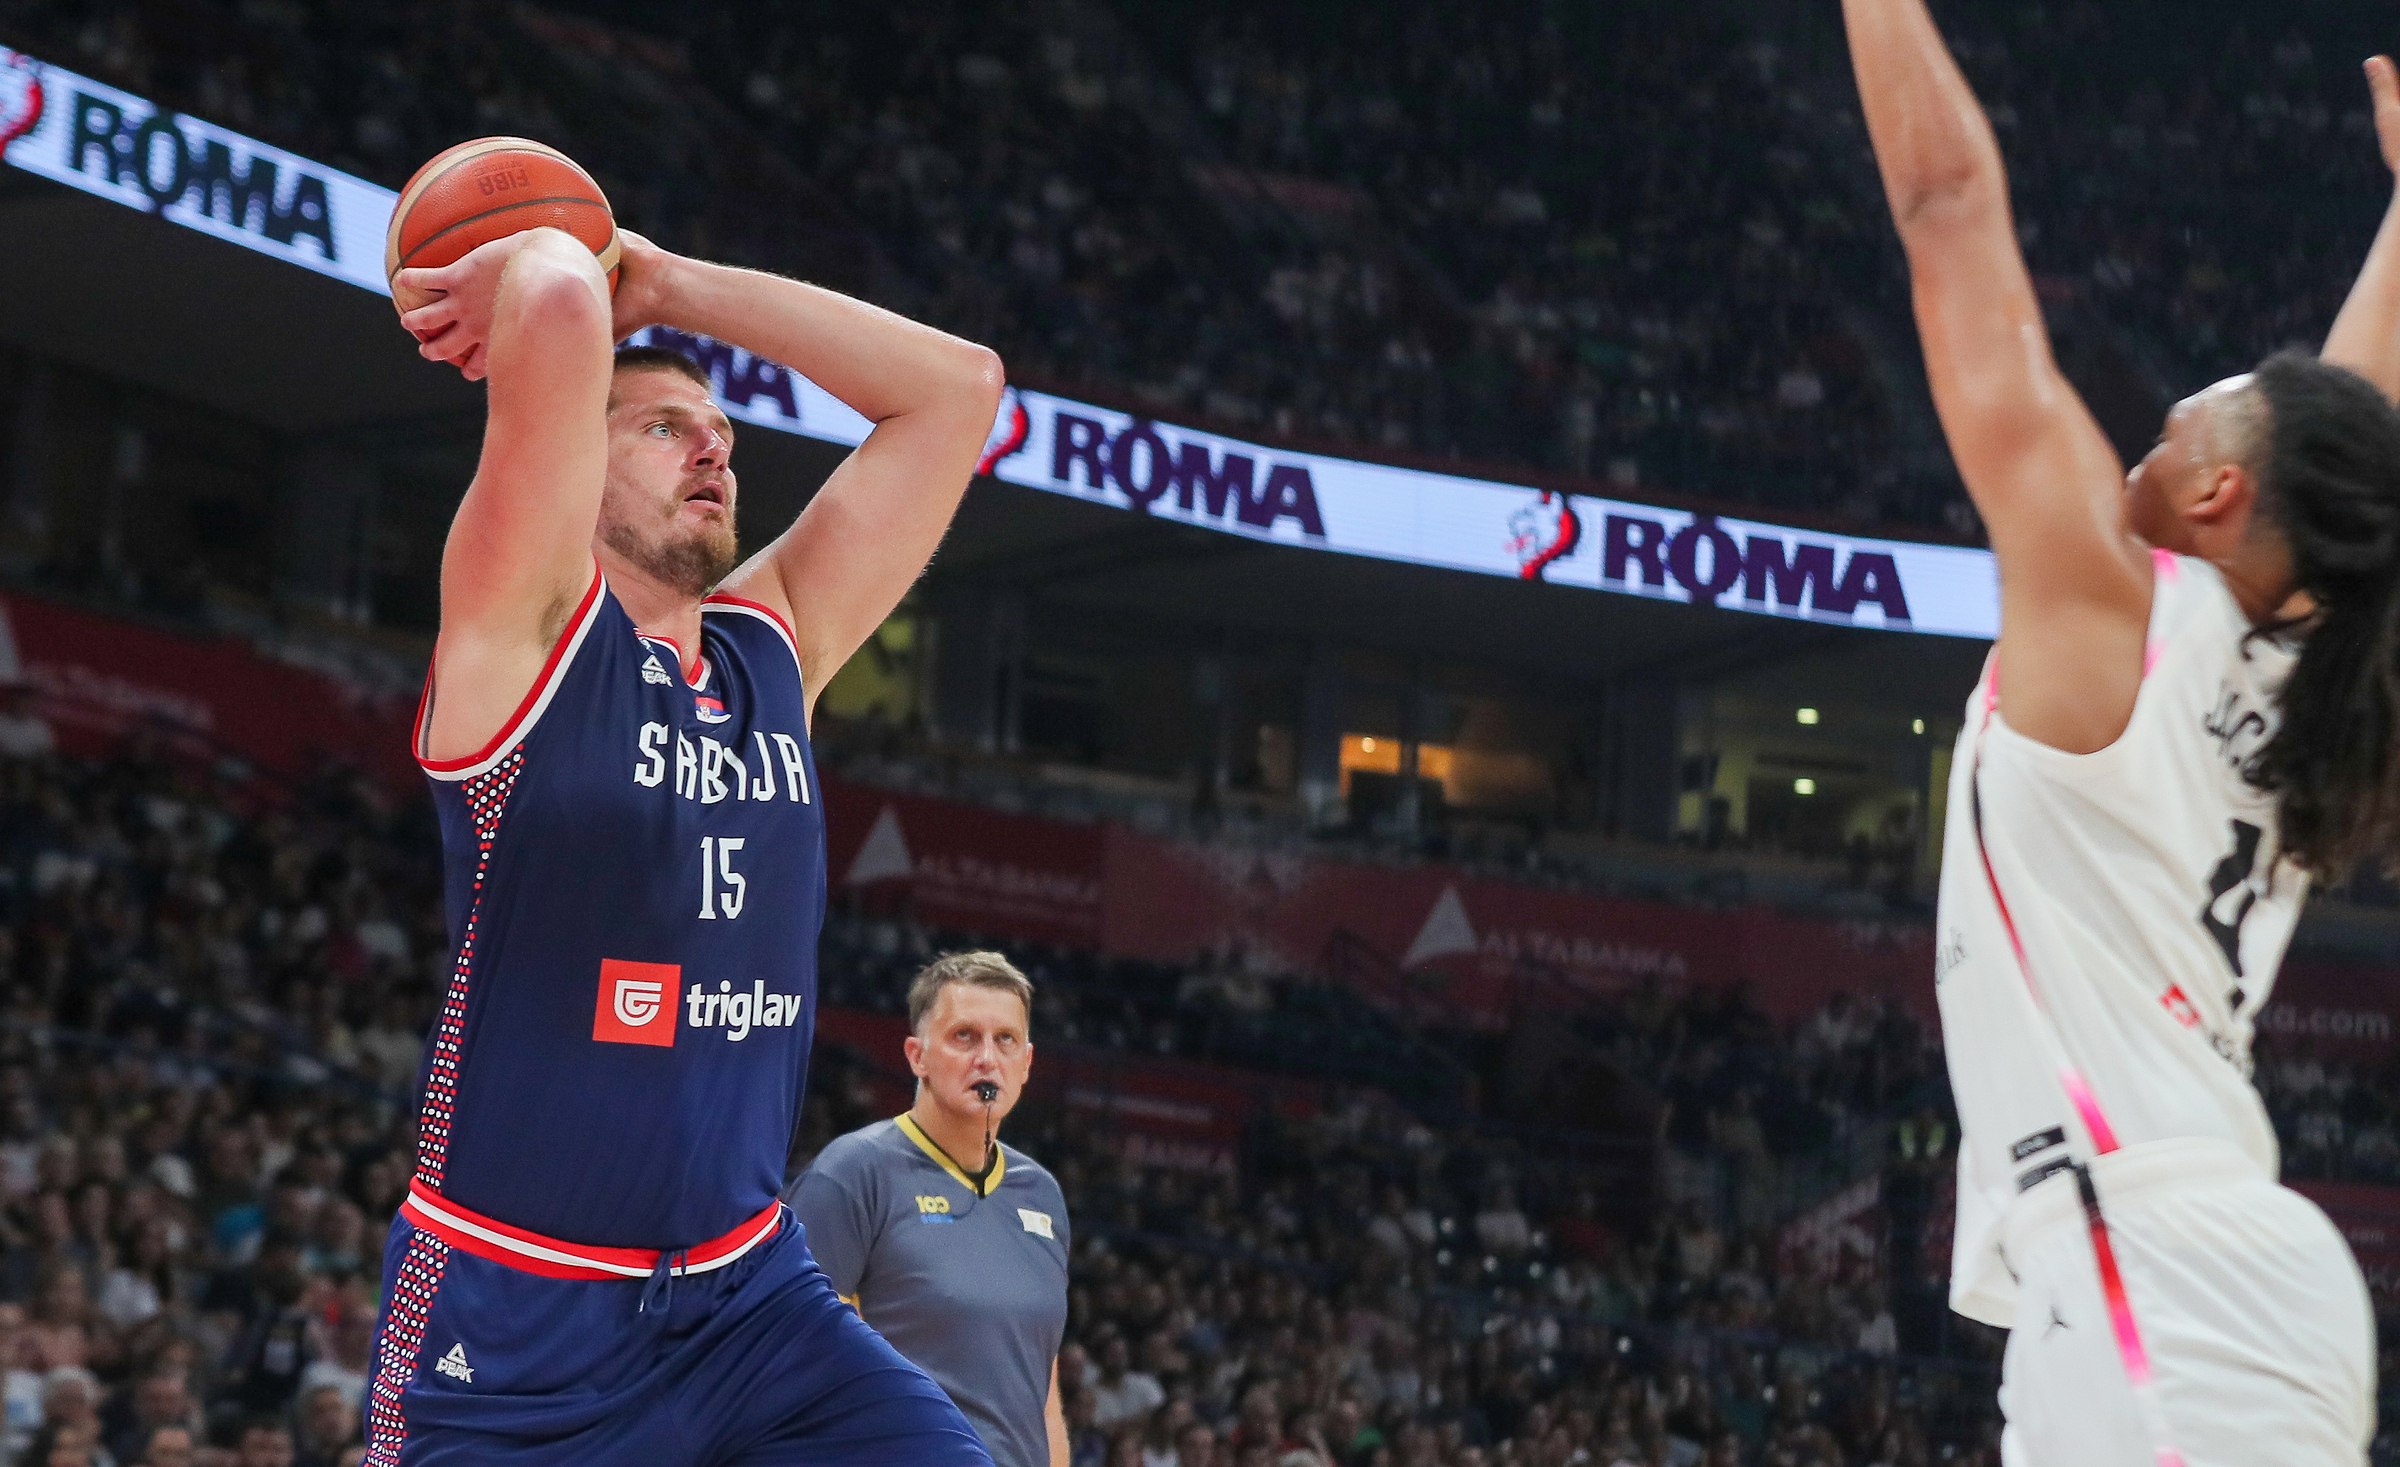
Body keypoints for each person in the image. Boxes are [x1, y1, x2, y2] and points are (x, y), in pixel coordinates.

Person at [362, 195, 1004, 1467]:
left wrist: (669, 280)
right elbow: (548, 297)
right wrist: (577, 264)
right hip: (518, 1315)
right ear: (566, 463)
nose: (713, 452)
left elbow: (958, 392)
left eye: (720, 433)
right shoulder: (523, 639)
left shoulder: (775, 646)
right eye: (662, 428)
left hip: (749, 1302)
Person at [1844, 3, 2400, 1461]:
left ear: (2217, 492)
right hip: (2197, 1271)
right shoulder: (2310, 671)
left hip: (2155, 1265)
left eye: (2190, 414)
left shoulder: (2117, 609)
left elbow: (1948, 206)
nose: (2157, 426)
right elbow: (2356, 446)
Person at [788, 953, 1071, 1467]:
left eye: (1005, 1040)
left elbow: (1042, 1393)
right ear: (916, 1056)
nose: (987, 1058)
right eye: (964, 1036)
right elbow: (794, 1359)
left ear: (1027, 1064)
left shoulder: (1043, 1195)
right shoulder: (853, 1174)